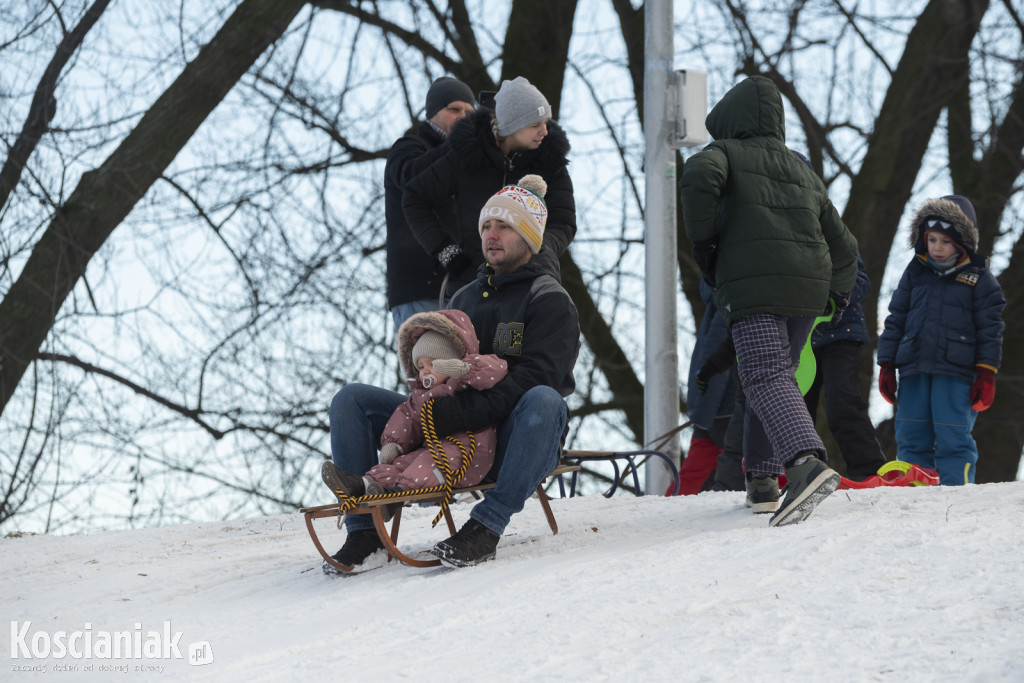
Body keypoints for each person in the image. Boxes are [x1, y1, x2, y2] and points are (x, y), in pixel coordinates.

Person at [322, 174, 580, 573]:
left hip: (517, 440)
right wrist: (427, 410)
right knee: (351, 400)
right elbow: (431, 371)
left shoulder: (548, 299)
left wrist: (466, 413)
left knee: (544, 400)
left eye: (504, 226)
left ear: (530, 237)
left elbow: (537, 377)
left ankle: (486, 526)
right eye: (486, 226)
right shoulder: (462, 298)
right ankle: (365, 531)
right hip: (453, 434)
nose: (491, 235)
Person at [680, 75, 859, 527]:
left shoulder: (723, 153)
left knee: (763, 375)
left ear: (729, 121)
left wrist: (705, 243)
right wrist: (835, 292)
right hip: (807, 291)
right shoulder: (802, 171)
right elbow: (845, 245)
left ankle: (804, 463)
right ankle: (762, 479)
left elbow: (699, 175)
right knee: (774, 378)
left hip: (755, 286)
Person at [321, 309, 507, 514]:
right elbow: (407, 416)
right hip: (434, 448)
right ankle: (364, 485)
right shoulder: (421, 395)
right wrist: (393, 442)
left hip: (469, 453)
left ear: (450, 360)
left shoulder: (464, 381)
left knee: (429, 462)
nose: (425, 371)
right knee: (404, 463)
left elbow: (496, 370)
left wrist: (464, 368)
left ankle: (396, 496)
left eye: (432, 363)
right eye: (420, 366)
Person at [402, 76, 575, 296]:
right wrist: (447, 251)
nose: (545, 131)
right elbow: (415, 197)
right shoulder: (468, 155)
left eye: (545, 122)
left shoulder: (552, 163)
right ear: (511, 126)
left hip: (530, 285)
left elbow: (564, 222)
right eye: (535, 125)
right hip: (470, 286)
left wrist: (535, 251)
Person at [877, 195, 1005, 485]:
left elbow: (990, 329)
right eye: (931, 239)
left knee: (952, 436)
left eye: (945, 241)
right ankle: (915, 491)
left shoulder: (979, 279)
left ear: (961, 242)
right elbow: (896, 318)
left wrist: (986, 372)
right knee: (911, 435)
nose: (937, 247)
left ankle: (954, 494)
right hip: (913, 367)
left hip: (957, 372)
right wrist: (886, 364)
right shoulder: (915, 273)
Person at [385, 77, 475, 330]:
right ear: (433, 114)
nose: (463, 117)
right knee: (429, 368)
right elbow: (414, 180)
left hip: (464, 287)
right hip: (419, 287)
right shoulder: (408, 148)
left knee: (468, 369)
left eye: (469, 112)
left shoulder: (468, 163)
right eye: (454, 109)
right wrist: (460, 144)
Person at [803, 255, 888, 481]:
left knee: (842, 402)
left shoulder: (835, 238)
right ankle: (800, 471)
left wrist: (829, 291)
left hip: (841, 334)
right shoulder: (783, 240)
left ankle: (869, 471)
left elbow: (862, 283)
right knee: (798, 407)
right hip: (800, 337)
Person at [668, 280, 739, 495]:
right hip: (725, 408)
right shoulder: (727, 303)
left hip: (714, 409)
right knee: (761, 464)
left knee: (693, 474)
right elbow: (716, 359)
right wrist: (705, 413)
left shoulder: (717, 304)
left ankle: (662, 513)